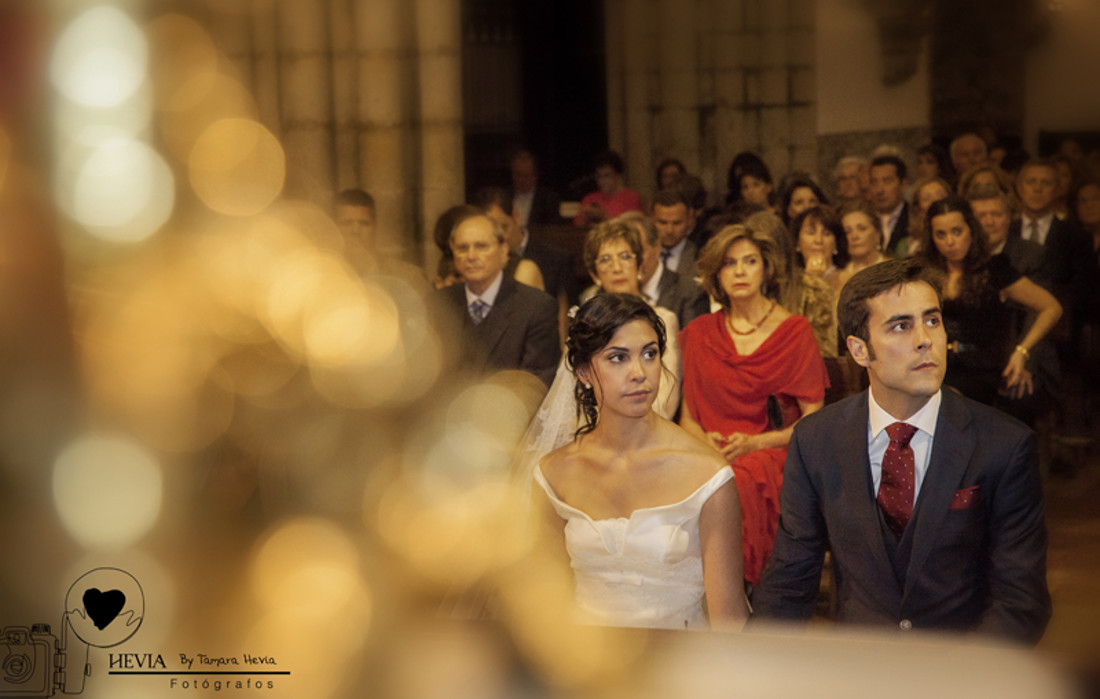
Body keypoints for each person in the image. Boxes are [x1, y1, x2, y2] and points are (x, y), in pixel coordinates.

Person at [752, 259, 1052, 644]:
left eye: (932, 320)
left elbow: (1020, 601)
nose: (925, 339)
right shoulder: (816, 441)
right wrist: (750, 661)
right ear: (859, 350)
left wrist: (962, 673)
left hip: (961, 663)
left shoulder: (1004, 445)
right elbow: (790, 580)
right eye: (901, 326)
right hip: (859, 663)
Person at [534, 293, 748, 630]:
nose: (639, 373)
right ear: (584, 372)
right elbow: (545, 606)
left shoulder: (706, 473)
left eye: (649, 354)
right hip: (582, 654)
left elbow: (730, 620)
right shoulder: (554, 473)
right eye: (618, 358)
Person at [679, 224, 828, 585]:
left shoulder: (795, 331)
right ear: (716, 274)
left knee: (739, 478)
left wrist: (756, 442)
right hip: (710, 453)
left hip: (773, 453)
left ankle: (736, 589)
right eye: (729, 263)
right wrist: (706, 443)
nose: (740, 271)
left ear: (767, 268)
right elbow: (687, 419)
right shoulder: (699, 332)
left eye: (750, 261)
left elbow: (814, 421)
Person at [920, 197, 1062, 410]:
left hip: (980, 368)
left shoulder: (994, 268)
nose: (949, 241)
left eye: (957, 232)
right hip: (935, 363)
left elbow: (1051, 308)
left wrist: (1021, 352)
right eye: (941, 234)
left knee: (945, 400)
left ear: (971, 230)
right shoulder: (924, 273)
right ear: (932, 238)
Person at [435, 210, 560, 386]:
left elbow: (537, 382)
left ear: (503, 251)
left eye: (481, 246)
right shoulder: (438, 303)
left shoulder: (536, 307)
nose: (471, 256)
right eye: (462, 248)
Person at [334, 188, 427, 288]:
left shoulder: (408, 276)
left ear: (375, 226)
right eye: (347, 223)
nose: (355, 231)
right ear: (335, 227)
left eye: (364, 223)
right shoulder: (324, 277)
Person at [573, 150, 644, 227]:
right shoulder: (589, 199)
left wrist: (603, 217)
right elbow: (577, 228)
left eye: (607, 176)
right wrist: (586, 218)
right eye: (599, 176)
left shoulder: (631, 198)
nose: (602, 181)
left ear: (618, 175)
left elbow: (634, 229)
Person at [835, 202, 888, 293]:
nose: (854, 236)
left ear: (877, 235)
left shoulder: (894, 272)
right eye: (847, 232)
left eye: (862, 229)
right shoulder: (836, 278)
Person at [652, 187, 700, 279]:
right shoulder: (640, 256)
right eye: (663, 222)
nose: (669, 230)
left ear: (689, 221)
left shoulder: (700, 259)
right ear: (652, 220)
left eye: (677, 223)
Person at [868, 154, 909, 258]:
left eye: (887, 181)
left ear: (903, 185)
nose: (880, 190)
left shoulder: (914, 218)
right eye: (874, 182)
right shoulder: (865, 219)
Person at [509, 150, 562, 227]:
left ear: (535, 176)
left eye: (526, 176)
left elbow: (552, 229)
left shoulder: (548, 200)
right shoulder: (505, 197)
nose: (521, 180)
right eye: (518, 175)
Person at [903, 176, 952, 257]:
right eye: (927, 198)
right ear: (918, 209)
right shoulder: (907, 247)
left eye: (941, 195)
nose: (935, 201)